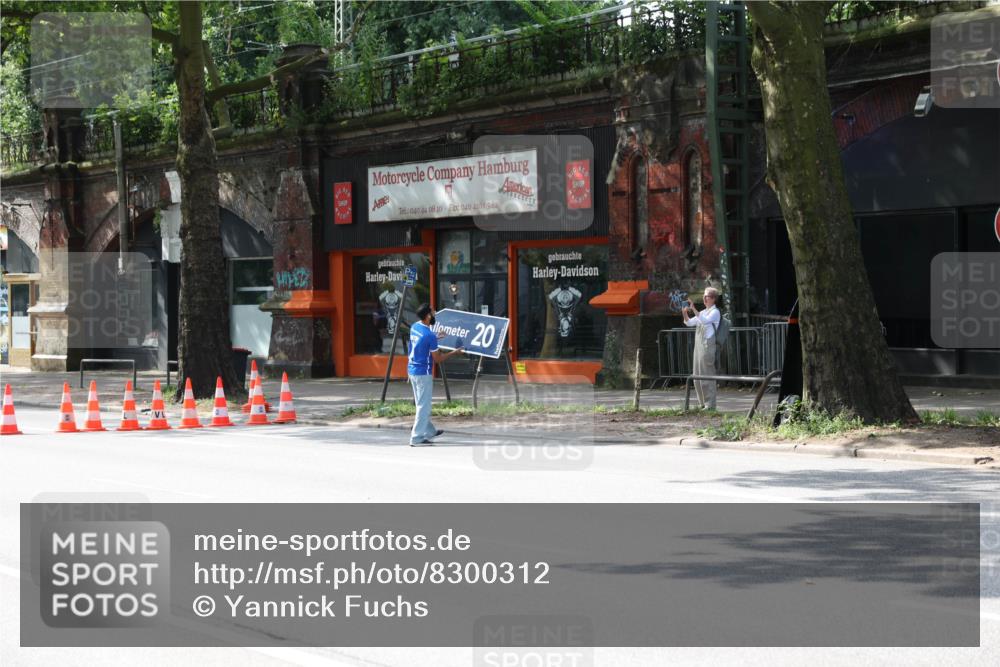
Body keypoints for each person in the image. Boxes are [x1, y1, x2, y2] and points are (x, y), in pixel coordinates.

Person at [408, 303, 464, 446]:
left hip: (412, 370)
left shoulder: (415, 327)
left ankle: (429, 431)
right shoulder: (429, 335)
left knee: (421, 404)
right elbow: (438, 359)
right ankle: (416, 438)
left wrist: (436, 337)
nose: (434, 315)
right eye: (433, 313)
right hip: (423, 373)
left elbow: (421, 342)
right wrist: (455, 352)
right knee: (424, 406)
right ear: (427, 316)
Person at [682, 287, 722, 410]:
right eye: (704, 296)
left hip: (707, 346)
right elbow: (689, 323)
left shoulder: (715, 312)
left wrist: (693, 308)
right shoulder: (703, 311)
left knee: (707, 375)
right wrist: (684, 313)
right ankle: (702, 403)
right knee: (697, 375)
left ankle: (711, 404)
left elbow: (704, 321)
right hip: (698, 346)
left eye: (707, 296)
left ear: (713, 299)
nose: (704, 298)